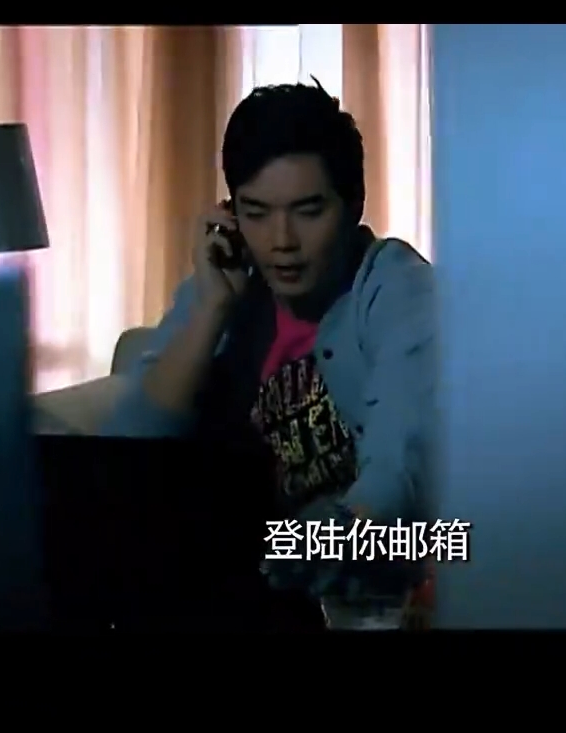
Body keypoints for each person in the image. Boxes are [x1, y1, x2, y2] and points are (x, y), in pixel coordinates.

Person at [101, 80, 436, 629]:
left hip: (359, 579)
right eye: (256, 213)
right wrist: (212, 308)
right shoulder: (225, 286)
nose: (281, 240)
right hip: (231, 580)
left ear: (353, 205)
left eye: (308, 211)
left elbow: (400, 465)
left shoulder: (397, 289)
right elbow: (125, 456)